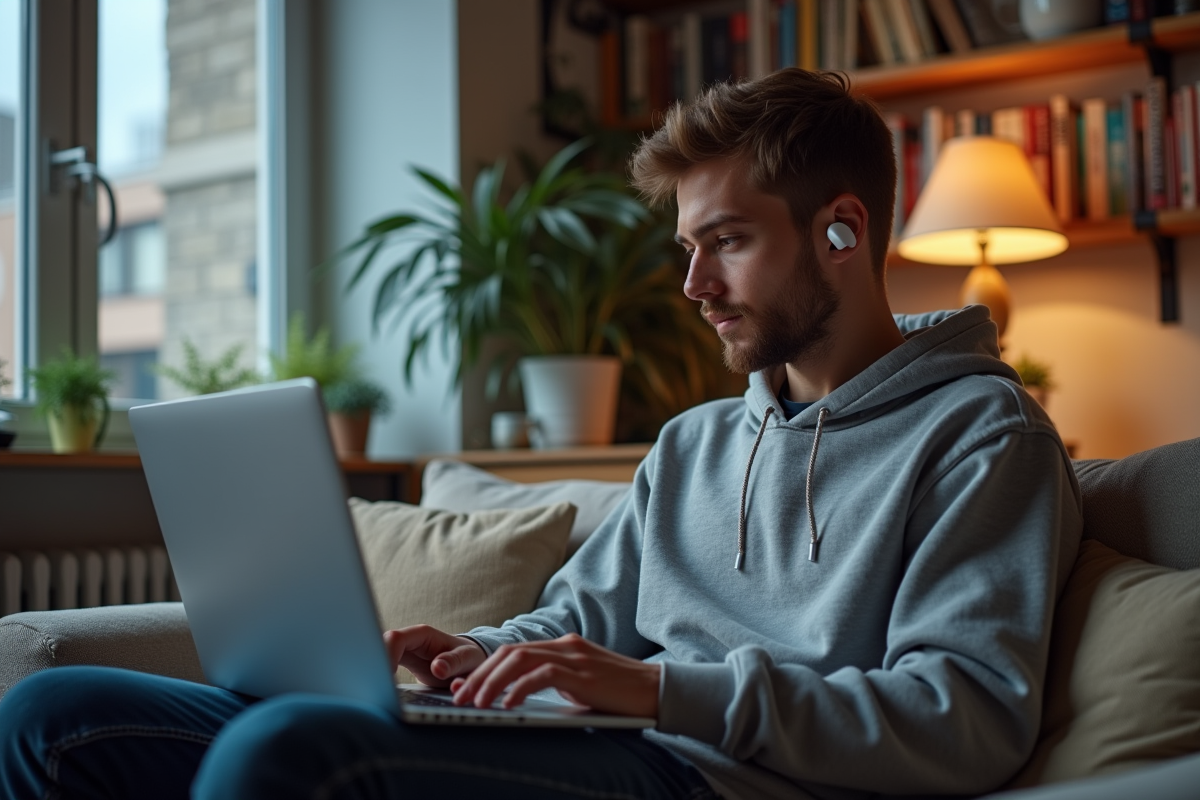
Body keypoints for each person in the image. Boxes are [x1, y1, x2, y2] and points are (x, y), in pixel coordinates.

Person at [0, 68, 1081, 800]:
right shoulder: (697, 444)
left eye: (728, 242)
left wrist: (662, 688)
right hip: (607, 741)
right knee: (55, 712)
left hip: (717, 776)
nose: (695, 285)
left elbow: (965, 715)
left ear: (844, 230)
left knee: (292, 754)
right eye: (687, 247)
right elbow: (575, 618)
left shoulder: (984, 436)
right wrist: (476, 652)